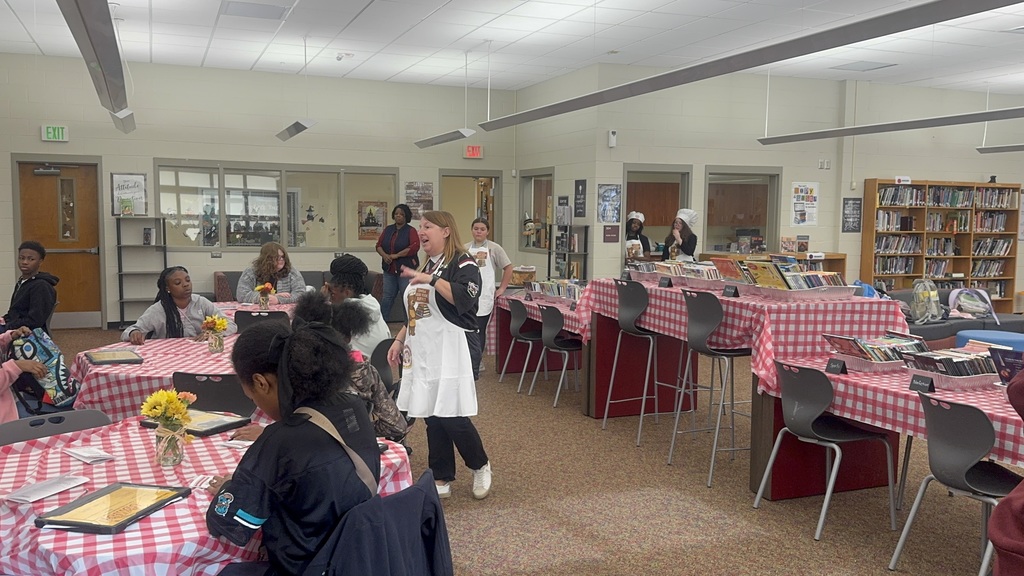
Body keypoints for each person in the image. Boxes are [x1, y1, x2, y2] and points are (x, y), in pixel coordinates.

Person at [206, 321, 380, 576]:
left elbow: (230, 521)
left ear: (261, 382)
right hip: (356, 558)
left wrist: (228, 488)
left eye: (252, 398)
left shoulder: (280, 440)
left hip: (306, 567)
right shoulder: (352, 406)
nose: (258, 407)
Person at [387, 211, 492, 500]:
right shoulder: (428, 264)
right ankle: (442, 474)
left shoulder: (463, 261)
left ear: (445, 231)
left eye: (427, 227)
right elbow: (417, 313)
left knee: (453, 413)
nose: (421, 232)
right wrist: (398, 339)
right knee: (432, 414)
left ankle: (480, 464)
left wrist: (431, 280)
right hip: (423, 349)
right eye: (420, 227)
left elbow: (465, 297)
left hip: (454, 347)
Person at [122, 266, 236, 344]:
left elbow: (231, 324)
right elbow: (128, 331)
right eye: (178, 283)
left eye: (187, 280)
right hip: (168, 356)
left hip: (199, 354)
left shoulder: (201, 302)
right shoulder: (158, 310)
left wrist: (214, 332)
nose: (186, 285)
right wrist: (134, 333)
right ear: (167, 288)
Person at [464, 217, 512, 376]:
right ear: (471, 230)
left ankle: (477, 362)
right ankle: (467, 359)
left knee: (479, 329)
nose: (478, 231)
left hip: (484, 295)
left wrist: (502, 288)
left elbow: (508, 267)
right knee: (466, 328)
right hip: (466, 295)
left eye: (482, 229)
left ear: (488, 231)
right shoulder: (464, 248)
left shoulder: (494, 248)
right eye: (476, 228)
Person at [322, 254, 390, 358]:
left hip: (356, 369)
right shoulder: (370, 303)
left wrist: (321, 300)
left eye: (332, 294)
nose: (331, 299)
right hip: (379, 367)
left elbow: (318, 333)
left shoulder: (345, 314)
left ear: (347, 292)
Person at [375, 204, 420, 324]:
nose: (398, 216)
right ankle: (381, 324)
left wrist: (397, 255)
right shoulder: (388, 229)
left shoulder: (411, 231)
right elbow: (378, 245)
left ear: (406, 216)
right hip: (389, 270)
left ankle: (409, 325)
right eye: (396, 214)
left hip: (405, 271)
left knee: (406, 297)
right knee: (387, 297)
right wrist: (385, 256)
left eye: (401, 214)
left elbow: (414, 247)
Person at [4, 241, 58, 333]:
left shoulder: (41, 286)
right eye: (21, 258)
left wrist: (8, 326)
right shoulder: (22, 282)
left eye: (31, 259)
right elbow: (14, 311)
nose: (24, 262)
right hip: (15, 326)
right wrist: (4, 320)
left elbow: (35, 321)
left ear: (40, 261)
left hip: (28, 332)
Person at [0, 326, 47, 424]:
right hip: (6, 417)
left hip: (8, 395)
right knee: (69, 414)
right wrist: (16, 366)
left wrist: (10, 336)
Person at [236, 242, 307, 304]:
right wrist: (268, 297)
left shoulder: (292, 272)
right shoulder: (251, 272)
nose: (281, 259)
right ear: (267, 259)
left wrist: (279, 300)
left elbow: (301, 294)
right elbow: (241, 294)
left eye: (283, 257)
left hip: (282, 314)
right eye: (277, 257)